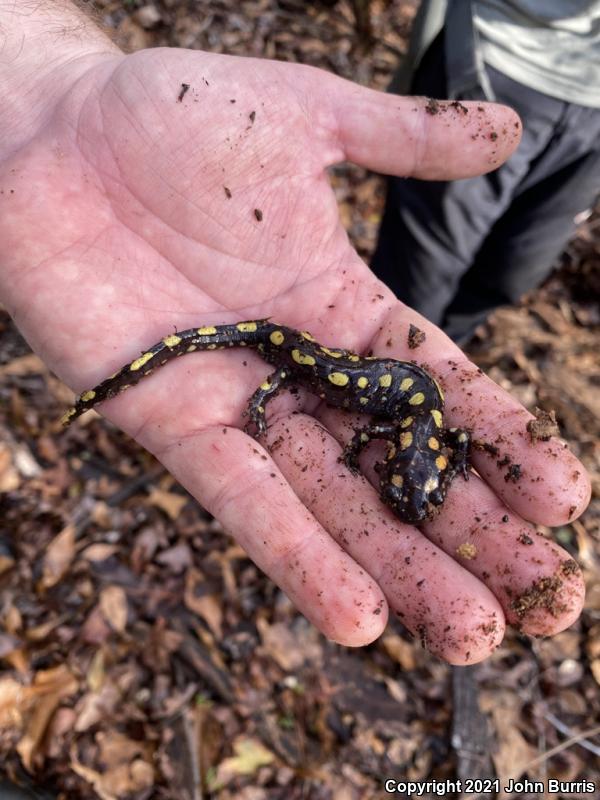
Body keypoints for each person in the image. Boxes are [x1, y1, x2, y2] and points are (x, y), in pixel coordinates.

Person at [0, 1, 590, 674]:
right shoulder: (420, 436)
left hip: (350, 369)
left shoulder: (418, 436)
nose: (405, 496)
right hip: (323, 362)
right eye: (410, 487)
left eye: (407, 490)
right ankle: (219, 370)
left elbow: (427, 437)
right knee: (299, 366)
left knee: (323, 368)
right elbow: (420, 435)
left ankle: (251, 369)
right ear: (412, 456)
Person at [372, 0, 600, 344]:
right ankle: (386, 361)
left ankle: (445, 359)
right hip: (496, 55)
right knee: (421, 271)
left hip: (591, 106)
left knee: (513, 270)